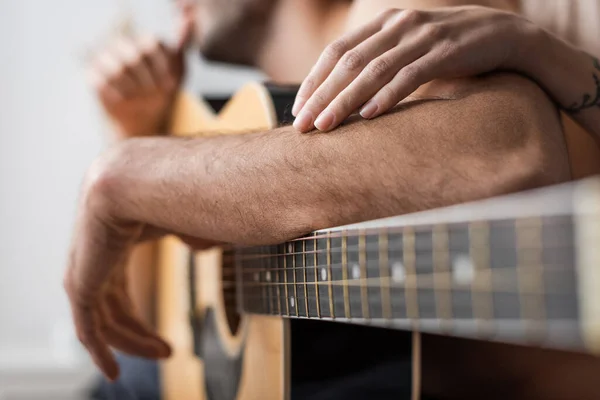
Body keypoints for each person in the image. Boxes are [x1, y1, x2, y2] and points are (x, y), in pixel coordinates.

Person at [75, 0, 600, 398]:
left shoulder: (389, 14)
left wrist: (135, 174)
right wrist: (138, 128)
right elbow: (147, 339)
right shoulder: (261, 106)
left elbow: (505, 157)